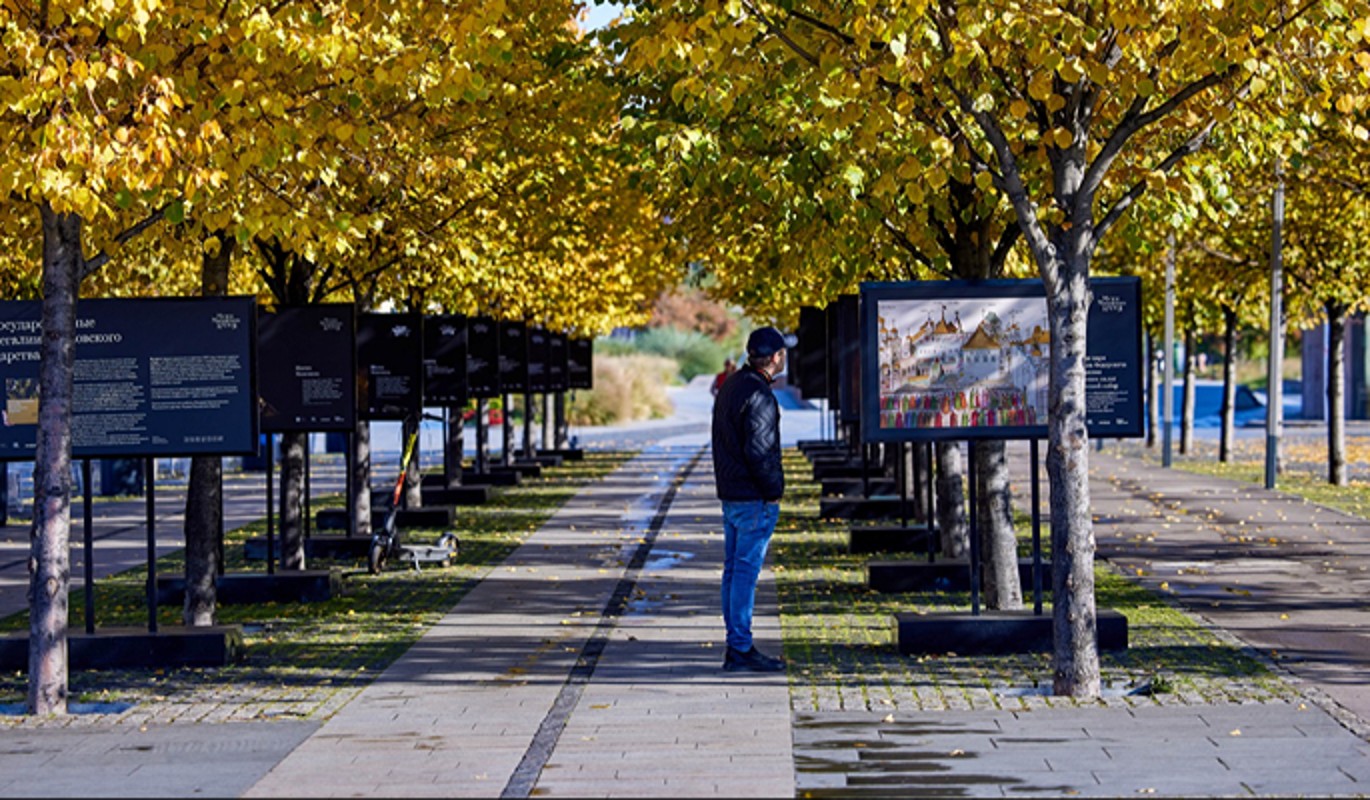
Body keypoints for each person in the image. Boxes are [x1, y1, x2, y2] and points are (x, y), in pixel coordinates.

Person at [711, 326, 794, 673]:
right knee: (745, 572)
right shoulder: (758, 395)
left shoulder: (731, 386)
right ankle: (741, 647)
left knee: (733, 571)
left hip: (731, 494)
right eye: (782, 353)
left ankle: (736, 643)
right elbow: (760, 452)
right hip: (752, 497)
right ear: (775, 357)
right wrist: (774, 492)